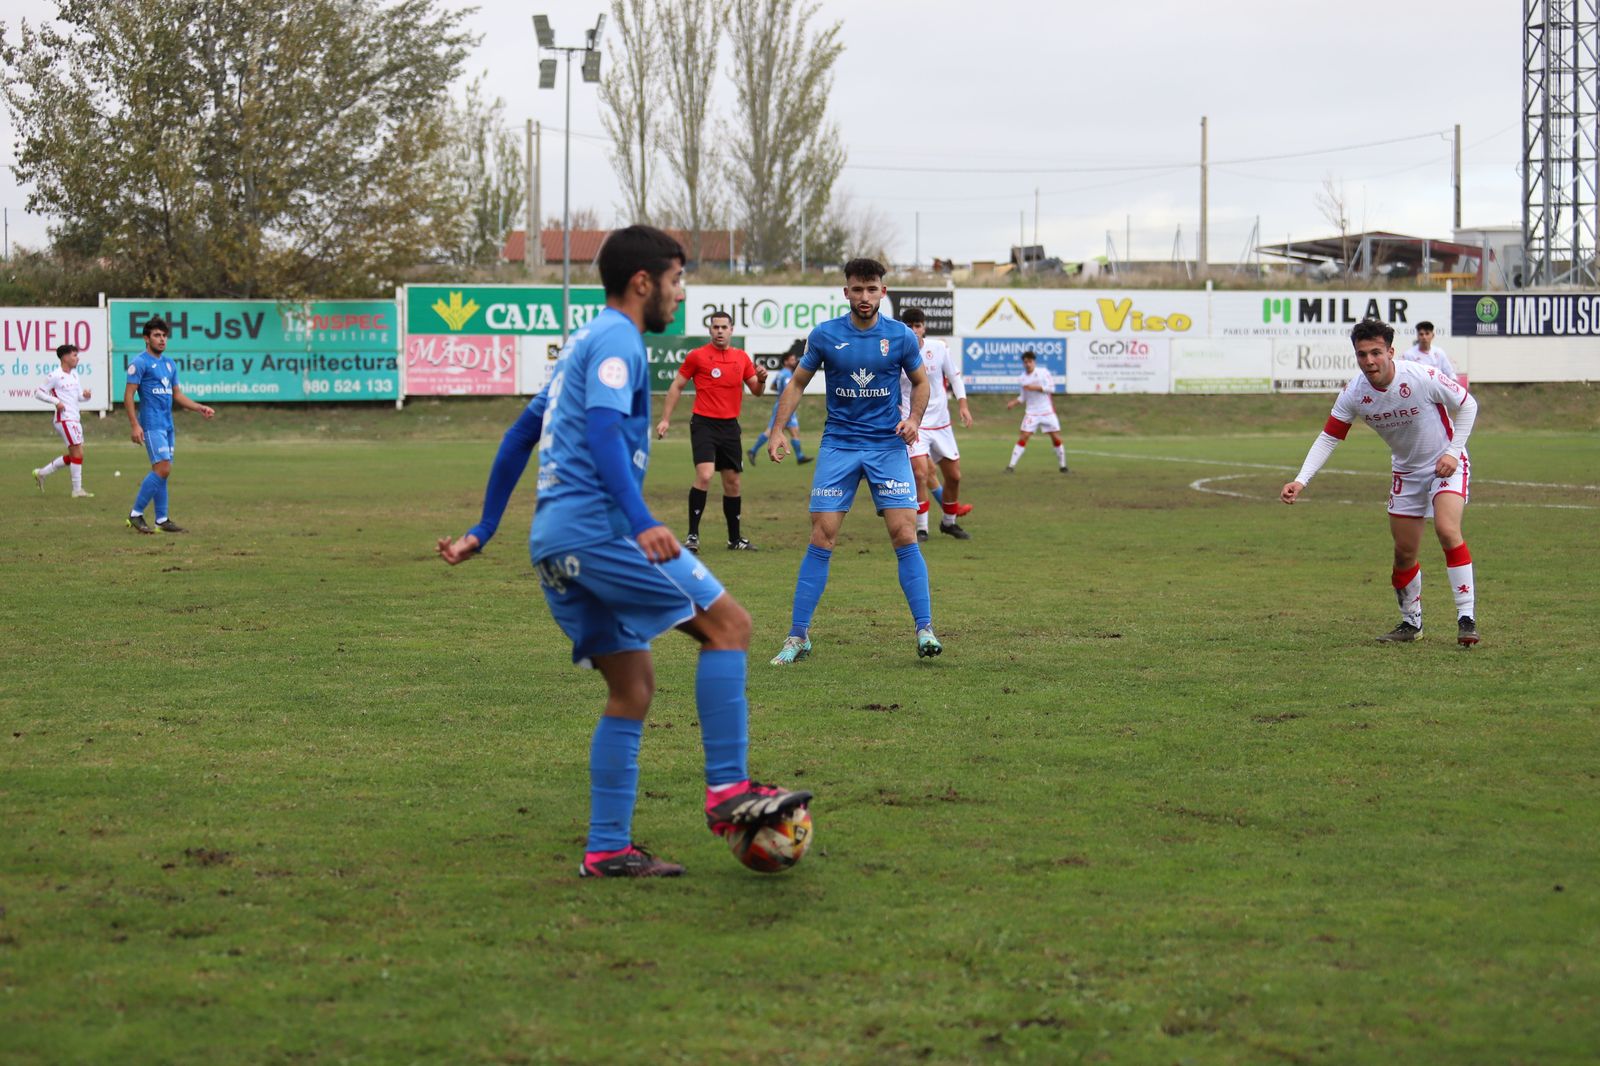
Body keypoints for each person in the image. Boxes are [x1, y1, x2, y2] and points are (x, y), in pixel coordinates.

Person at [437, 225, 811, 879]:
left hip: (554, 545)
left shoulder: (582, 341)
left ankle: (607, 849)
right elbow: (607, 430)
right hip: (598, 535)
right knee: (731, 626)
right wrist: (639, 520)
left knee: (632, 688)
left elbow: (522, 433)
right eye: (675, 281)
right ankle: (727, 792)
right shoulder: (617, 340)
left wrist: (487, 526)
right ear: (644, 282)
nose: (679, 295)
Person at [764, 257, 940, 664]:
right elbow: (797, 384)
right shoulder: (825, 335)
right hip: (839, 446)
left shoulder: (900, 337)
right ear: (846, 292)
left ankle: (925, 629)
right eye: (857, 289)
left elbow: (920, 382)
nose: (865, 296)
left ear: (883, 291)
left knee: (905, 534)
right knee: (822, 535)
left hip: (886, 446)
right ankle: (797, 636)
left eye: (872, 288)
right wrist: (777, 431)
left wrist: (913, 419)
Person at [1281, 318, 1481, 646]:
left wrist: (1453, 452)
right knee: (1404, 554)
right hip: (1406, 473)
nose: (1369, 361)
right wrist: (1301, 480)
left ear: (1391, 351)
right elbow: (1329, 437)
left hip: (1446, 465)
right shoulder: (1354, 394)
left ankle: (1466, 617)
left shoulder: (1420, 376)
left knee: (1447, 529)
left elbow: (1468, 405)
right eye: (1362, 355)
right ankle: (1411, 623)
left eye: (1376, 353)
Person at [655, 311, 767, 552]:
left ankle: (734, 539)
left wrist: (762, 379)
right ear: (710, 330)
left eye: (724, 327)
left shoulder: (741, 358)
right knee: (705, 475)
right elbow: (677, 386)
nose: (719, 331)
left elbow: (756, 391)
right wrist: (665, 419)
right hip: (704, 424)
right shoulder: (697, 356)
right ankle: (693, 535)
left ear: (731, 329)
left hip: (729, 427)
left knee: (733, 483)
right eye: (715, 327)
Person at [123, 318, 215, 534]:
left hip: (167, 425)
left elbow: (177, 395)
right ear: (146, 338)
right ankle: (135, 514)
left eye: (164, 335)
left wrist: (198, 407)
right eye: (157, 335)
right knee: (163, 468)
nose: (162, 339)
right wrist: (135, 425)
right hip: (151, 424)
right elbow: (128, 396)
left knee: (162, 471)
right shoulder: (140, 362)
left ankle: (161, 519)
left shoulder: (169, 364)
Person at [897, 307, 973, 541]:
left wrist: (963, 405)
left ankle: (949, 523)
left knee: (954, 476)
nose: (913, 330)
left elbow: (954, 376)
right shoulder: (895, 353)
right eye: (909, 326)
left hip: (941, 424)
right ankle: (921, 528)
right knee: (919, 473)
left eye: (917, 326)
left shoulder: (938, 349)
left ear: (924, 327)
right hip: (913, 423)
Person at [31, 343, 95, 498]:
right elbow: (38, 393)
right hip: (64, 419)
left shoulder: (74, 375)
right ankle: (77, 490)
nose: (77, 358)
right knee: (78, 453)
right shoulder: (55, 375)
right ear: (65, 357)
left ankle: (41, 473)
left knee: (74, 455)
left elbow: (78, 396)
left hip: (74, 418)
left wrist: (85, 396)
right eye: (74, 355)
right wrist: (55, 401)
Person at [748, 341, 812, 467]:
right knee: (774, 431)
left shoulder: (780, 373)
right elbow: (792, 388)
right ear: (786, 361)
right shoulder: (788, 375)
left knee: (788, 431)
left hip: (779, 404)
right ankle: (753, 450)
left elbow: (773, 386)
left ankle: (799, 456)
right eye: (792, 359)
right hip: (786, 406)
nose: (794, 361)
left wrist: (780, 392)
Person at [1004, 350, 1068, 473]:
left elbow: (1051, 388)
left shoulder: (1043, 373)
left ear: (1034, 362)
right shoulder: (1022, 378)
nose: (1028, 364)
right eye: (1025, 362)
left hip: (1047, 411)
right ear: (1023, 363)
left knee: (1055, 437)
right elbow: (1023, 397)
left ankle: (1063, 466)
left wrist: (1035, 388)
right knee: (1024, 436)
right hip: (1032, 412)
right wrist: (1014, 402)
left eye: (1030, 361)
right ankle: (1011, 466)